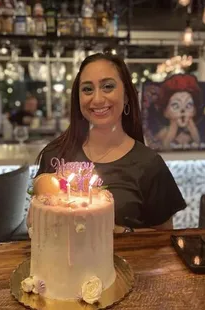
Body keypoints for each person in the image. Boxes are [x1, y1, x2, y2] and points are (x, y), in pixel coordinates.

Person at [33, 53, 186, 231]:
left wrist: (118, 231)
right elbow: (37, 221)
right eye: (87, 89)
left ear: (127, 96)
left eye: (108, 87)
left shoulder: (149, 165)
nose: (97, 99)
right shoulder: (56, 154)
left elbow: (164, 237)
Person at [154, 74, 201, 150]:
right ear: (165, 112)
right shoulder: (163, 133)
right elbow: (164, 150)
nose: (183, 110)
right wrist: (173, 128)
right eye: (176, 106)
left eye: (188, 105)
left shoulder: (192, 133)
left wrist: (193, 129)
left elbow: (199, 148)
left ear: (194, 110)